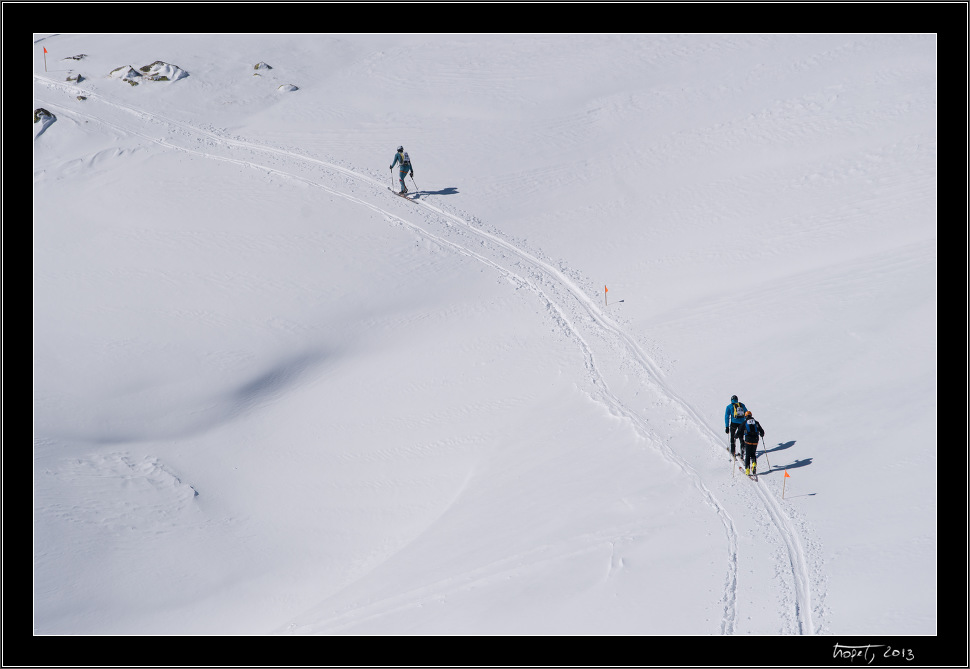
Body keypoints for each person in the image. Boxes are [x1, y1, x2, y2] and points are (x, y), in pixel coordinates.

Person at [740, 410, 765, 476]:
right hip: (755, 440)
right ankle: (754, 464)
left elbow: (740, 430)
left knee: (747, 455)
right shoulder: (756, 422)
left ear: (745, 416)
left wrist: (736, 436)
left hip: (748, 440)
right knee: (753, 453)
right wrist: (761, 435)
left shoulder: (745, 422)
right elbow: (762, 432)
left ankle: (747, 470)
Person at [724, 394, 748, 459]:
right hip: (742, 423)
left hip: (733, 423)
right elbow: (747, 413)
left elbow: (727, 417)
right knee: (741, 437)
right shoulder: (742, 405)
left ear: (731, 400)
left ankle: (733, 452)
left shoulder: (729, 406)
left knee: (732, 437)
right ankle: (742, 452)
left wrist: (727, 427)